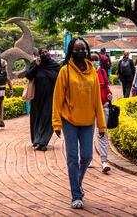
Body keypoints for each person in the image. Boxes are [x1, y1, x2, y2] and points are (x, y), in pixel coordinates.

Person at [52, 37, 106, 209]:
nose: (80, 52)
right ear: (71, 51)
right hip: (70, 120)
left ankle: (77, 182)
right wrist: (56, 123)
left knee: (87, 156)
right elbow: (57, 99)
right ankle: (76, 194)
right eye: (77, 49)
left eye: (83, 49)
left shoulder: (92, 71)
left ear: (87, 51)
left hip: (88, 120)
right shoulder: (65, 71)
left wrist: (102, 124)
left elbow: (97, 99)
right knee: (73, 158)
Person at [25, 48, 60, 151]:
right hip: (37, 97)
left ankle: (43, 142)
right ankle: (36, 140)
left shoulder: (54, 66)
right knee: (36, 118)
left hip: (50, 97)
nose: (45, 54)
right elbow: (28, 76)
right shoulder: (35, 64)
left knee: (47, 118)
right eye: (42, 53)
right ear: (39, 55)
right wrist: (37, 65)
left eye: (46, 52)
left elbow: (59, 79)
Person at [90, 52, 113, 173]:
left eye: (96, 60)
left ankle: (104, 161)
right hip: (89, 108)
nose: (94, 62)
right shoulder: (86, 74)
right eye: (92, 60)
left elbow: (106, 87)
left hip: (103, 105)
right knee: (88, 133)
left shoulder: (102, 72)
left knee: (102, 133)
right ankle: (88, 159)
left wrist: (109, 94)